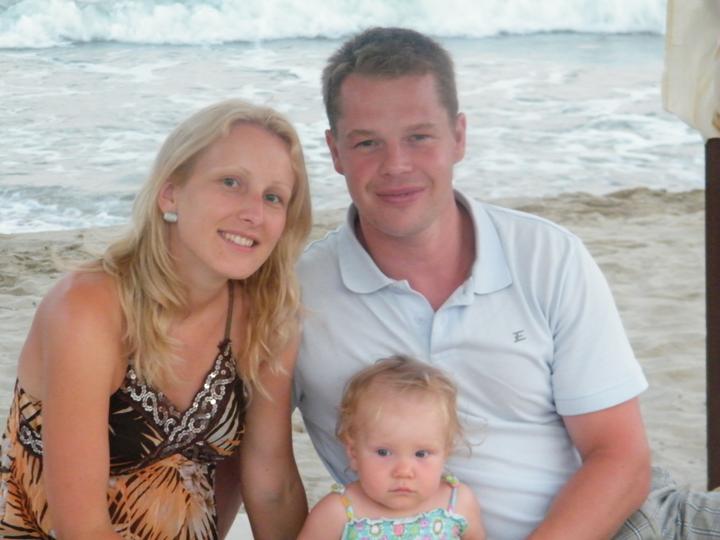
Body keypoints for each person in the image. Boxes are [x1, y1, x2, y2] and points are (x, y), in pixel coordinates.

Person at [293, 26, 720, 539]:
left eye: (419, 137)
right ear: (335, 151)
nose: (396, 165)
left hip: (630, 523)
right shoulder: (298, 295)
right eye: (367, 143)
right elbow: (246, 452)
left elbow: (620, 458)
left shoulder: (547, 255)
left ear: (459, 137)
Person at [0, 99, 311, 539]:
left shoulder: (268, 319)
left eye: (273, 197)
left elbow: (272, 486)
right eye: (231, 182)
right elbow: (80, 527)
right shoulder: (88, 310)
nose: (254, 213)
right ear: (170, 193)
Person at [298, 355, 485, 539]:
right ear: (353, 453)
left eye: (421, 454)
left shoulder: (458, 503)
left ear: (446, 453)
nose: (403, 471)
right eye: (384, 452)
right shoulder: (338, 512)